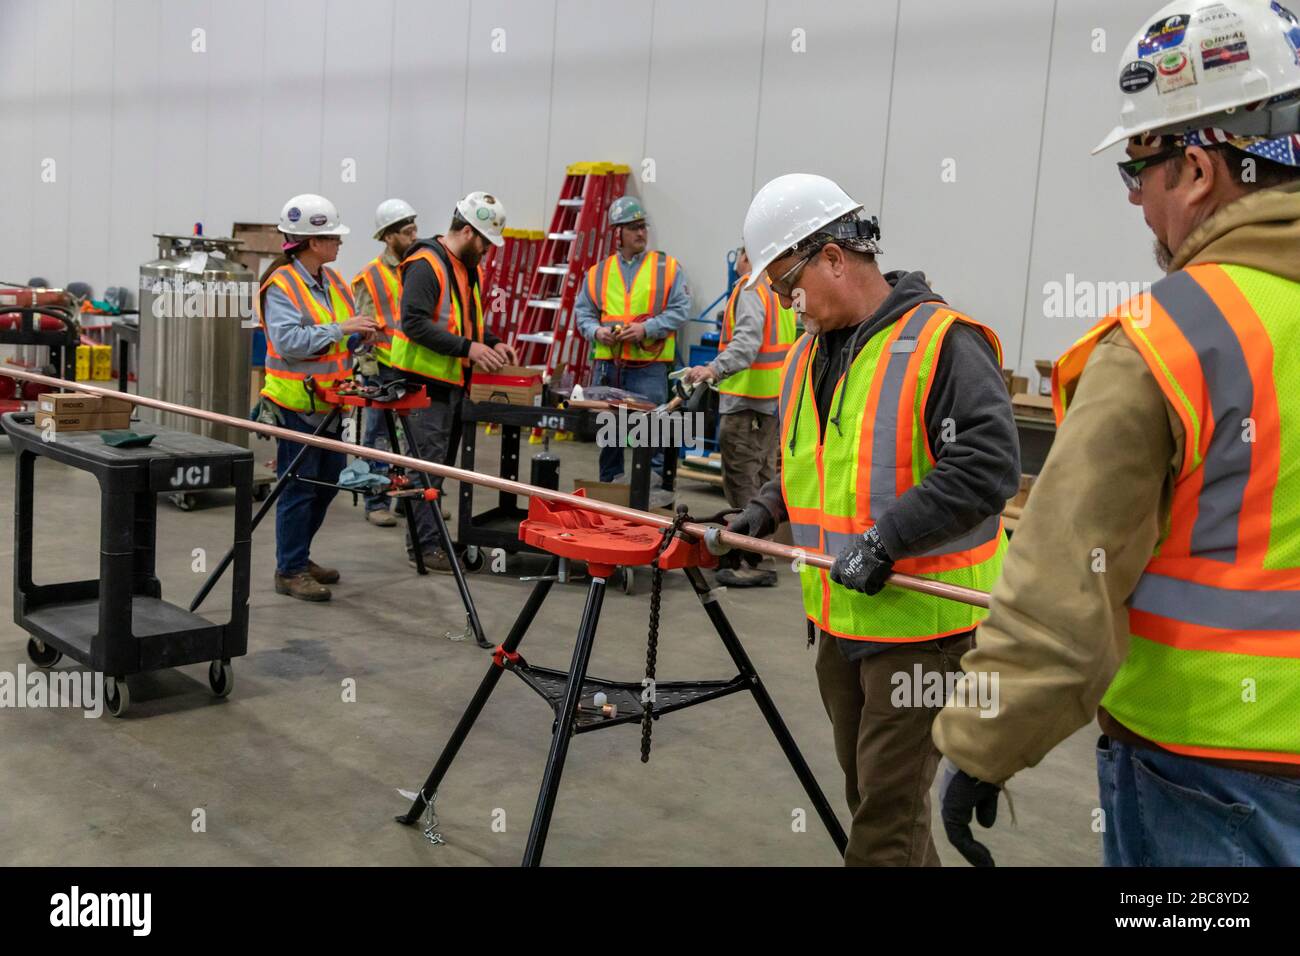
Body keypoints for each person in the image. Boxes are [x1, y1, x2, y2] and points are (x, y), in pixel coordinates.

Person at [934, 0, 1300, 868]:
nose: (1138, 204)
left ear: (1198, 169)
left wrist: (984, 742)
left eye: (1139, 172)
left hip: (1207, 773)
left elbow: (1067, 583)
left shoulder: (1172, 340)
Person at [727, 173, 1019, 865]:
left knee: (882, 828)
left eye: (787, 283)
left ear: (833, 256)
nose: (785, 302)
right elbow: (814, 463)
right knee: (875, 802)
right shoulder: (809, 352)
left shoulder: (943, 342)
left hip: (925, 629)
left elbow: (987, 466)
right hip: (842, 622)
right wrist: (762, 512)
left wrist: (886, 541)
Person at [387, 191, 517, 572]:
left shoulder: (465, 267)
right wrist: (469, 348)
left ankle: (431, 541)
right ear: (467, 231)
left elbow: (464, 321)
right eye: (485, 242)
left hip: (451, 384)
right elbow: (414, 324)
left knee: (438, 469)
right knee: (425, 469)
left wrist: (491, 341)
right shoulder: (426, 264)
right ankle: (425, 547)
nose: (488, 251)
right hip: (423, 385)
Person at [256, 193, 376, 601]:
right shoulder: (281, 285)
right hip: (296, 404)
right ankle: (289, 570)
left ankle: (298, 556)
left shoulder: (332, 281)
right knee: (299, 488)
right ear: (312, 241)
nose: (340, 242)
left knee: (326, 485)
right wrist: (342, 329)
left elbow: (334, 334)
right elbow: (289, 342)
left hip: (330, 402)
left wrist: (359, 336)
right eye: (333, 237)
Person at [683, 244, 797, 587]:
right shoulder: (777, 287)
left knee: (741, 481)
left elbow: (746, 344)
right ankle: (760, 555)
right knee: (762, 480)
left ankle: (746, 559)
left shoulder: (751, 287)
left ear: (748, 256)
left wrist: (712, 369)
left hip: (747, 402)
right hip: (769, 401)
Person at [574, 196, 691, 495]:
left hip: (649, 370)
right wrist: (597, 331)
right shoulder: (598, 273)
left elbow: (680, 310)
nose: (641, 233)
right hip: (608, 368)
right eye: (633, 227)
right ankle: (609, 489)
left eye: (643, 226)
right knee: (610, 433)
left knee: (650, 432)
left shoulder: (666, 267)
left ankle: (650, 491)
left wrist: (645, 329)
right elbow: (583, 313)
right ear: (617, 233)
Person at [351, 198, 419, 528]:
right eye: (408, 232)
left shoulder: (419, 268)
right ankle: (375, 501)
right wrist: (369, 371)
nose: (414, 237)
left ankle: (408, 499)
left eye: (415, 229)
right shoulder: (371, 276)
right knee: (377, 437)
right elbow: (364, 327)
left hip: (414, 366)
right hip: (382, 369)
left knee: (412, 438)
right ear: (389, 236)